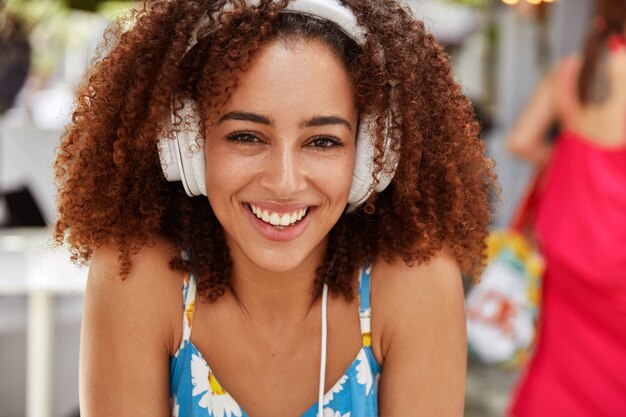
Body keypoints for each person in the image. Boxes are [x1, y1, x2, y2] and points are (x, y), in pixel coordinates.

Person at [54, 0, 495, 415]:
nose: (284, 183)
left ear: (369, 158)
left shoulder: (414, 284)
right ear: (186, 145)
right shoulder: (136, 276)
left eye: (323, 141)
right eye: (246, 136)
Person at [506, 0, 626, 415]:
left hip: (565, 254)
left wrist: (565, 160)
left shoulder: (573, 71)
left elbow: (521, 140)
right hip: (619, 274)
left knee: (558, 367)